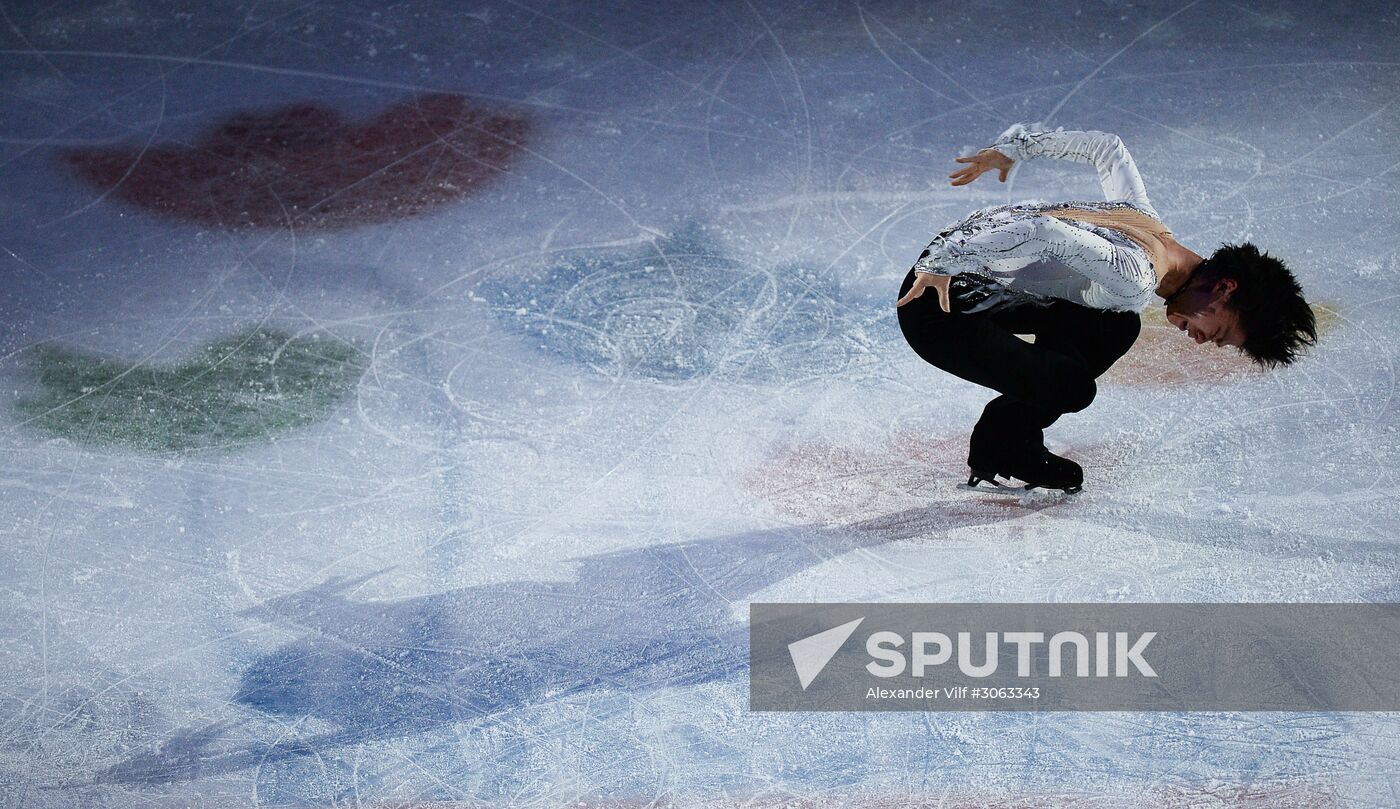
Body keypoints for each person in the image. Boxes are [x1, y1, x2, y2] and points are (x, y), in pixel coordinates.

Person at [895, 123, 1316, 493]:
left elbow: (1108, 148)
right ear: (1224, 289)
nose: (1203, 340)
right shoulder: (1135, 276)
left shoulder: (1148, 224)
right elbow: (1043, 231)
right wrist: (941, 263)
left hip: (966, 268)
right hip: (938, 305)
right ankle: (1005, 443)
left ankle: (1003, 439)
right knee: (1073, 388)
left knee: (1115, 326)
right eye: (1220, 333)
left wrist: (1016, 148)